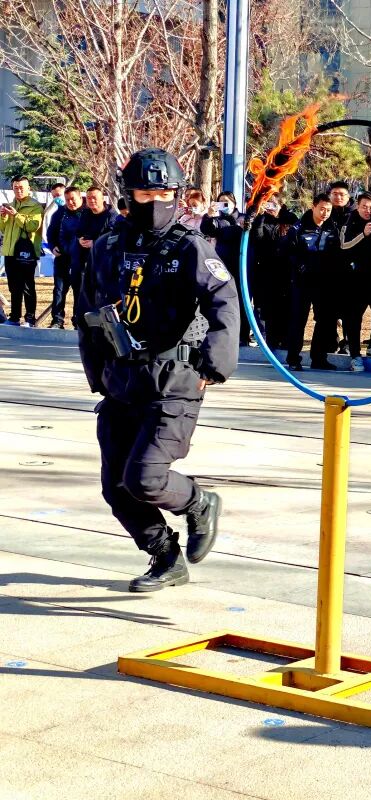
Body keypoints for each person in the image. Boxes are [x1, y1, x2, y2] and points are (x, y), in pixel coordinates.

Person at [75, 148, 239, 591]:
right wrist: (97, 372)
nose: (155, 202)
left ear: (177, 194)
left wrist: (214, 364)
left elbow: (223, 301)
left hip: (173, 382)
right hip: (121, 381)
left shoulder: (190, 246)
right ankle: (165, 557)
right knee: (117, 487)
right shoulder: (108, 246)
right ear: (128, 195)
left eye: (164, 194)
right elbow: (88, 312)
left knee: (145, 477)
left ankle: (199, 503)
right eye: (145, 194)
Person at [285, 193, 340, 371]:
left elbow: (336, 252)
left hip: (324, 282)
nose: (325, 213)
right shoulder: (298, 228)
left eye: (328, 210)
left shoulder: (332, 228)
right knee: (298, 320)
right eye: (322, 209)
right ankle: (293, 358)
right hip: (302, 282)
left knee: (325, 320)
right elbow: (289, 253)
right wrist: (300, 266)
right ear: (313, 207)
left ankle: (319, 358)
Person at [339, 191, 371, 369]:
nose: (368, 211)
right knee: (353, 318)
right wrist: (363, 234)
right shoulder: (350, 221)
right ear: (358, 206)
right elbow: (344, 244)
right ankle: (355, 354)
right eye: (364, 207)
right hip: (355, 279)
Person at [200, 192, 251, 346]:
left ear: (234, 203)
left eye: (227, 202)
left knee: (242, 301)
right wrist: (208, 216)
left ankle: (243, 335)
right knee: (225, 300)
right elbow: (206, 229)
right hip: (223, 265)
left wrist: (245, 226)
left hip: (241, 264)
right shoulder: (218, 220)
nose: (224, 205)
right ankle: (227, 334)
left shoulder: (243, 218)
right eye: (221, 202)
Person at [248, 194, 296, 348]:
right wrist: (261, 215)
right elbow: (257, 237)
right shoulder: (261, 220)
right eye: (267, 204)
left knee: (286, 309)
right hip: (266, 272)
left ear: (281, 205)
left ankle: (286, 342)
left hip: (287, 273)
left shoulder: (289, 219)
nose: (270, 208)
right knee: (266, 310)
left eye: (273, 205)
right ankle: (268, 342)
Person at [1, 177, 44, 326]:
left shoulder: (35, 206)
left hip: (26, 252)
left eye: (21, 187)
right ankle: (14, 317)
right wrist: (3, 216)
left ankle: (30, 318)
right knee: (13, 287)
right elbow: (3, 229)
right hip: (10, 252)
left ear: (28, 188)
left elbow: (33, 226)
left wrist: (16, 215)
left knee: (27, 286)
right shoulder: (11, 204)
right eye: (16, 187)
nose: (18, 190)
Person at [46, 186, 85, 328]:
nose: (70, 202)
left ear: (80, 198)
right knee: (59, 290)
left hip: (81, 259)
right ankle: (57, 320)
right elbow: (51, 232)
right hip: (62, 257)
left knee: (79, 291)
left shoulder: (87, 213)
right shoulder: (60, 213)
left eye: (73, 199)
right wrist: (52, 246)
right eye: (67, 200)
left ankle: (78, 321)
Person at [74, 187, 119, 308]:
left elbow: (112, 237)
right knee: (83, 292)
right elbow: (78, 231)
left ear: (102, 199)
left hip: (104, 261)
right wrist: (79, 239)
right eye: (89, 198)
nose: (91, 200)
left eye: (94, 198)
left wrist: (95, 243)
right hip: (85, 259)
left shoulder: (112, 215)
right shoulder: (85, 214)